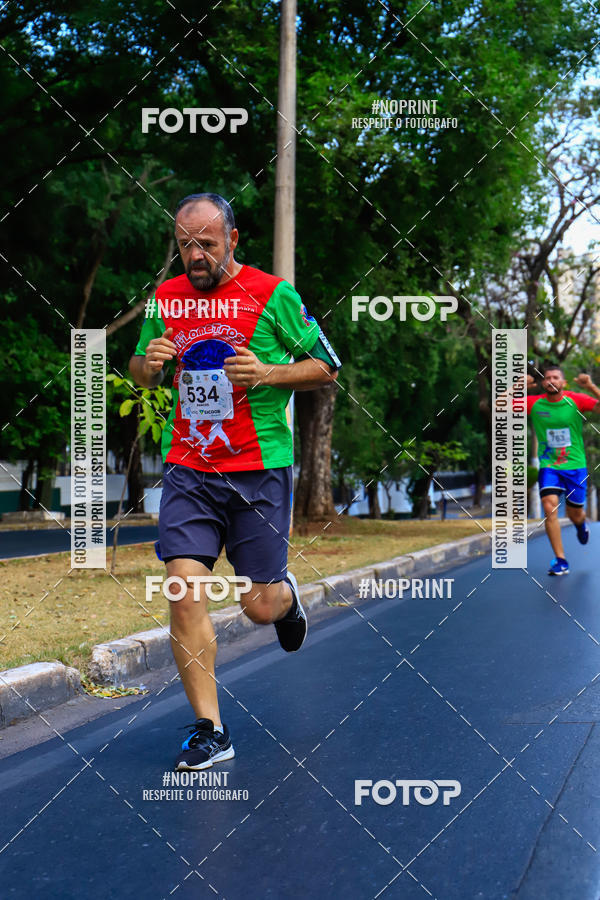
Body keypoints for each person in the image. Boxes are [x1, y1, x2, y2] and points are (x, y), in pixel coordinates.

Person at [129, 192, 341, 770]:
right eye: (184, 245)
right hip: (190, 467)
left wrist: (269, 371)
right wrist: (148, 363)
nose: (194, 255)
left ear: (233, 240)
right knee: (182, 587)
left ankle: (286, 598)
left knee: (258, 606)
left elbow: (326, 365)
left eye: (207, 244)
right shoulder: (165, 298)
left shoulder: (273, 294)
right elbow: (142, 373)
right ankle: (211, 730)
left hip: (258, 469)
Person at [526, 365, 600, 575]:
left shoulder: (575, 399)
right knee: (549, 507)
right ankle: (561, 560)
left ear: (563, 383)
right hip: (550, 466)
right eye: (547, 377)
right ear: (543, 383)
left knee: (575, 513)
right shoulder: (535, 403)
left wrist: (591, 387)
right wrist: (517, 386)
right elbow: (499, 405)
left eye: (556, 377)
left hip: (575, 465)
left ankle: (580, 525)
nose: (551, 380)